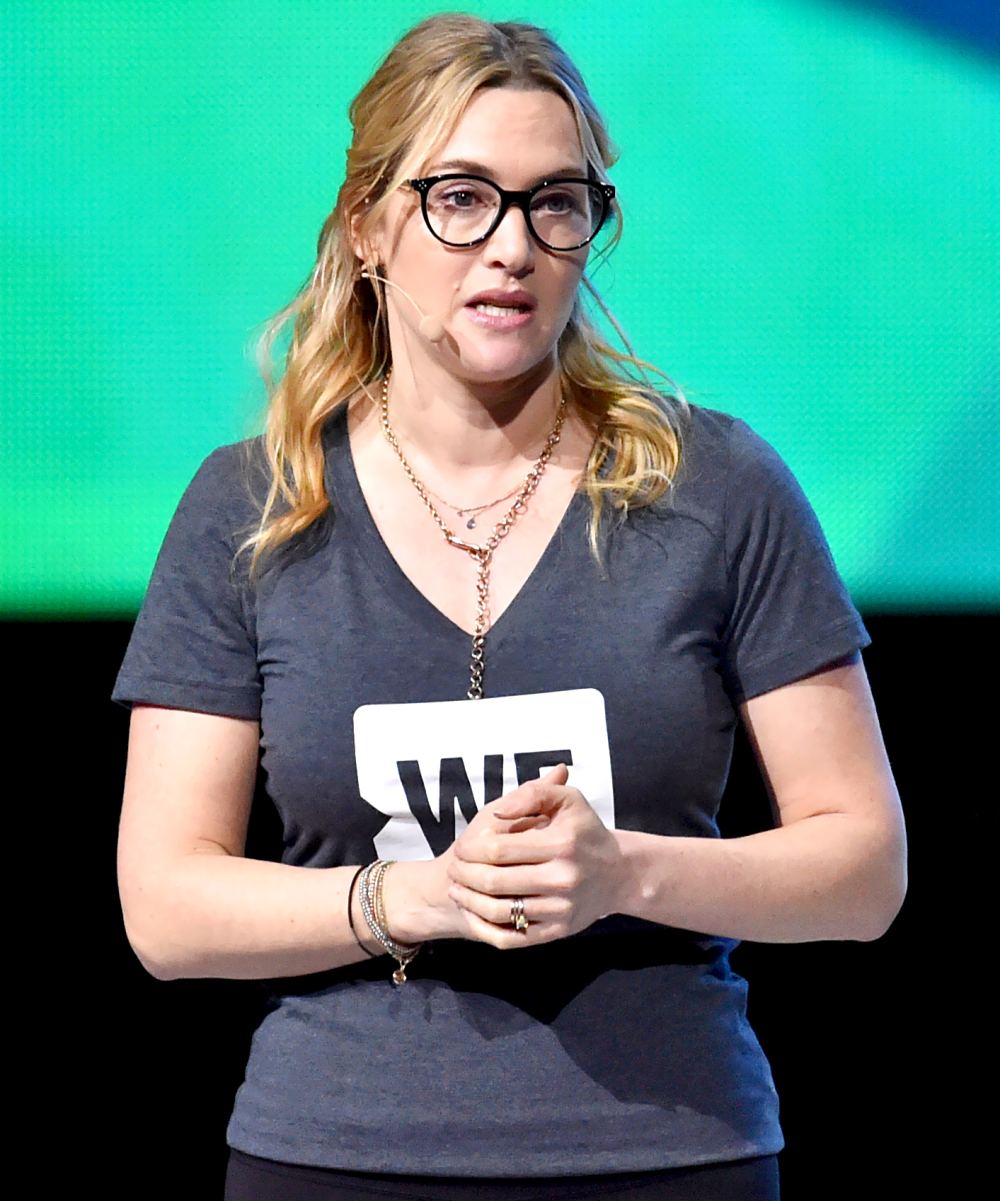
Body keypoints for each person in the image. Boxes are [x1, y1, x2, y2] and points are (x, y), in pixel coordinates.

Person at [112, 12, 907, 1201]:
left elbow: (863, 870)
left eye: (555, 202)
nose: (512, 247)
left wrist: (624, 872)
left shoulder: (719, 487)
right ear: (369, 226)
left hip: (669, 1149)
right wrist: (418, 895)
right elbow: (166, 907)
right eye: (461, 197)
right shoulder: (252, 507)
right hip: (336, 1156)